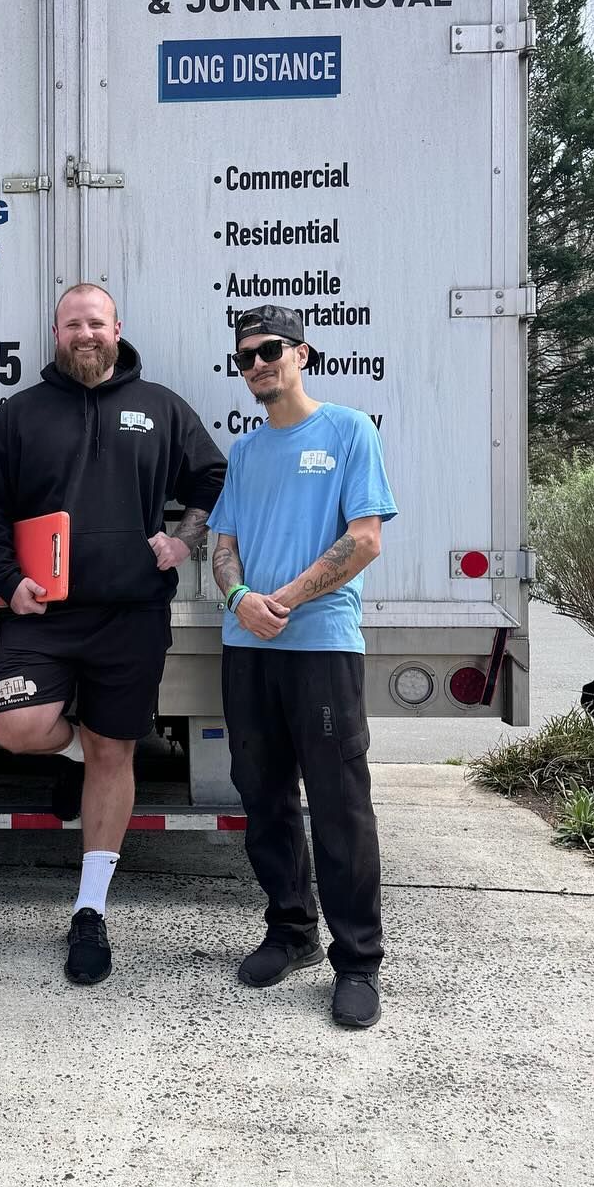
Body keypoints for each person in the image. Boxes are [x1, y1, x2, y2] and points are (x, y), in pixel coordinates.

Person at [0, 283, 226, 986]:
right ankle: (88, 753)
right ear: (56, 332)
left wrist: (184, 541)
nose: (86, 333)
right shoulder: (21, 415)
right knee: (16, 727)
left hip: (131, 616)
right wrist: (4, 580)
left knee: (117, 750)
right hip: (40, 616)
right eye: (73, 323)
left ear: (118, 327)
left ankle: (90, 910)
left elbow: (213, 475)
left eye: (97, 322)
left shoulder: (162, 407)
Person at [209, 304, 398, 1031]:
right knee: (264, 799)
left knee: (341, 806)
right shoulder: (247, 452)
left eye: (270, 350)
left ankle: (357, 962)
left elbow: (365, 540)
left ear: (302, 354)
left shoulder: (349, 431)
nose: (257, 364)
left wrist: (277, 601)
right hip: (247, 649)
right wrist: (237, 596)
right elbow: (221, 544)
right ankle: (291, 932)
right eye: (245, 356)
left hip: (320, 647)